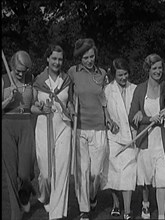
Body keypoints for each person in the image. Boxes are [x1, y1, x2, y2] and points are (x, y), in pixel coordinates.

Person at [128, 53, 165, 220]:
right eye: (154, 68)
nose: (158, 71)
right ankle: (145, 204)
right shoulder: (140, 90)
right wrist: (145, 118)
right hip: (146, 140)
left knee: (163, 177)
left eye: (160, 68)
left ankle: (161, 215)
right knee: (146, 178)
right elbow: (132, 117)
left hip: (163, 141)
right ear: (148, 69)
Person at [68, 38, 115, 220]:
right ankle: (84, 210)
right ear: (80, 58)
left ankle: (93, 194)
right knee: (83, 170)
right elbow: (68, 95)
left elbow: (103, 98)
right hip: (80, 128)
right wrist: (70, 106)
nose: (90, 60)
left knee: (96, 172)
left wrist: (108, 118)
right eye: (86, 57)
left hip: (99, 127)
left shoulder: (101, 73)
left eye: (92, 56)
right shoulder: (73, 72)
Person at [31, 45, 73, 220]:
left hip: (63, 126)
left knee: (62, 170)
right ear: (47, 59)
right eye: (54, 58)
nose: (57, 62)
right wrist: (41, 108)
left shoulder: (67, 80)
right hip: (43, 126)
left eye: (60, 59)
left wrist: (71, 107)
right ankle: (44, 193)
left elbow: (70, 102)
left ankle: (56, 214)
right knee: (46, 171)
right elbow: (31, 107)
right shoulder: (39, 81)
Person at [2, 50, 36, 220]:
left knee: (25, 172)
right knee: (11, 173)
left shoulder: (30, 80)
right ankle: (16, 215)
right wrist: (9, 98)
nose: (21, 74)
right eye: (18, 70)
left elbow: (33, 105)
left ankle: (26, 188)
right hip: (7, 125)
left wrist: (42, 110)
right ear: (12, 66)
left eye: (24, 70)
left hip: (26, 125)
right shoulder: (4, 79)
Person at [103, 58, 138, 220]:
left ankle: (128, 210)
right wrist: (109, 121)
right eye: (120, 75)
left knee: (129, 173)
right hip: (114, 137)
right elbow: (104, 112)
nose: (123, 78)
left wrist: (139, 114)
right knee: (114, 173)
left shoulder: (135, 89)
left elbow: (140, 108)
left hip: (131, 137)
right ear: (113, 75)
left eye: (125, 74)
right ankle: (116, 203)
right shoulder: (107, 90)